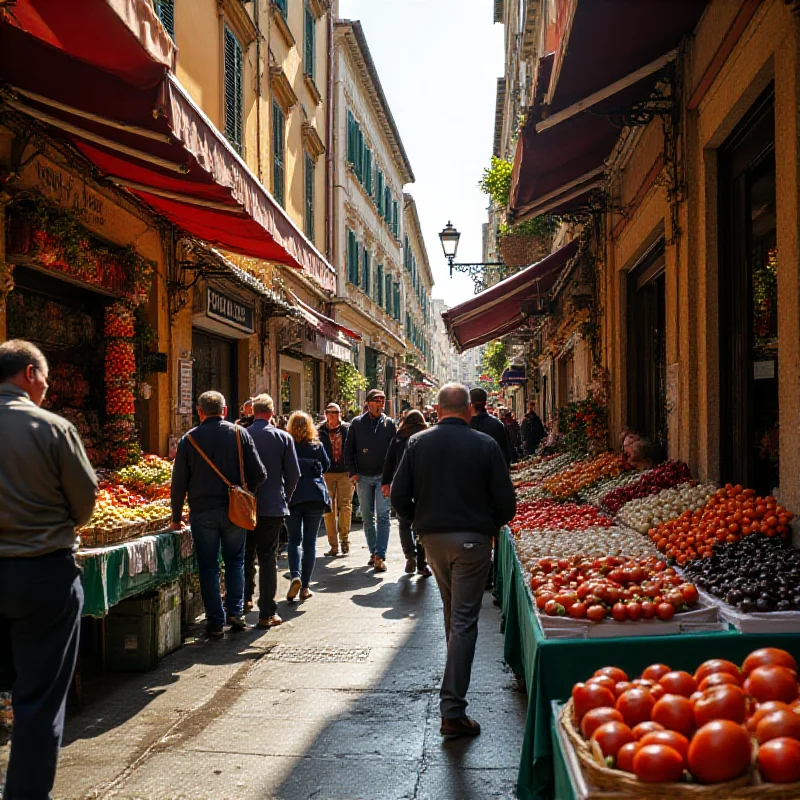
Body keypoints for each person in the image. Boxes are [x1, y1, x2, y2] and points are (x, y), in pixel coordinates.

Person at [0, 340, 97, 800]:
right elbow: (84, 505)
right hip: (41, 575)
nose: (46, 388)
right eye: (45, 379)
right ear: (30, 375)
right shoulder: (52, 428)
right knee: (37, 702)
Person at [391, 383, 516, 739]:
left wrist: (421, 522)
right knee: (463, 621)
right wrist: (487, 525)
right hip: (474, 541)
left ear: (439, 408)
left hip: (433, 541)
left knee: (453, 614)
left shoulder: (417, 443)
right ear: (468, 410)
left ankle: (453, 698)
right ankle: (452, 709)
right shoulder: (486, 445)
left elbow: (399, 497)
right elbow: (507, 505)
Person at [171, 391, 266, 638]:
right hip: (234, 510)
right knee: (235, 560)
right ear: (224, 411)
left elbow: (178, 482)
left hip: (202, 512)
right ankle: (235, 611)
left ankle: (214, 621)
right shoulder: (239, 434)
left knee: (208, 566)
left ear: (199, 412)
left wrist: (175, 516)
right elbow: (260, 473)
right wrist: (246, 491)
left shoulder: (189, 440)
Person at [244, 394, 300, 628]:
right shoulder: (283, 438)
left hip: (244, 506)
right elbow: (294, 474)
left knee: (244, 554)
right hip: (272, 506)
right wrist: (284, 497)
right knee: (268, 557)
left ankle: (244, 600)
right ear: (272, 412)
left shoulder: (242, 435)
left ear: (253, 411)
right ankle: (267, 612)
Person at [344, 388, 397, 572]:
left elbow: (395, 452)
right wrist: (353, 472)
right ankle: (373, 551)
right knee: (367, 517)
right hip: (363, 477)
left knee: (383, 515)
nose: (381, 404)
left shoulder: (389, 424)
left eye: (383, 400)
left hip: (383, 477)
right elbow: (348, 450)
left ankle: (380, 555)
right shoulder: (357, 424)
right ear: (368, 403)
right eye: (377, 400)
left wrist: (391, 478)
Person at [286, 411, 330, 601]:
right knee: (310, 542)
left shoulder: (288, 445)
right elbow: (326, 465)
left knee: (294, 540)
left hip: (293, 496)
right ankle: (305, 586)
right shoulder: (317, 446)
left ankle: (294, 574)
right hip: (314, 496)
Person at [381, 410, 431, 577]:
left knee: (403, 522)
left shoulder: (398, 437)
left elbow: (388, 461)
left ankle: (410, 555)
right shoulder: (426, 437)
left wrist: (386, 483)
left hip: (401, 483)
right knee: (422, 523)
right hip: (422, 484)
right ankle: (422, 564)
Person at [318, 402, 353, 557]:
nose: (333, 416)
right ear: (326, 414)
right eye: (331, 413)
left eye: (336, 412)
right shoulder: (320, 430)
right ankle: (333, 545)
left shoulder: (347, 429)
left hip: (345, 473)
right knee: (328, 509)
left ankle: (344, 539)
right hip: (326, 473)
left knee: (345, 506)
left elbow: (353, 449)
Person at [469, 388, 512, 467]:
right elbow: (506, 456)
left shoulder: (465, 426)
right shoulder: (498, 425)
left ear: (470, 404)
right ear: (485, 402)